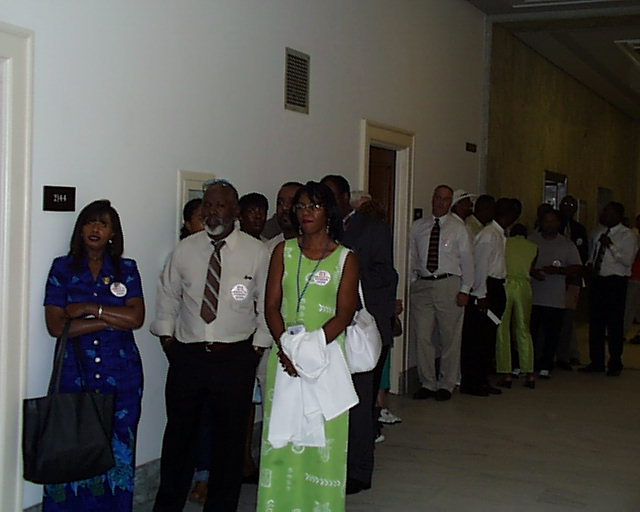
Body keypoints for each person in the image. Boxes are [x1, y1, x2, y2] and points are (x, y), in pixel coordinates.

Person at [151, 179, 271, 512]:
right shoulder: (186, 249)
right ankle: (167, 505)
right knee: (178, 439)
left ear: (235, 211)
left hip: (234, 358)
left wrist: (257, 348)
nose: (212, 211)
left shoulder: (256, 252)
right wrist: (167, 338)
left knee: (229, 445)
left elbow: (266, 303)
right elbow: (168, 294)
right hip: (188, 357)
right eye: (208, 204)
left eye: (220, 205)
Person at [257, 180, 359, 512]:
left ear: (329, 212)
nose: (305, 213)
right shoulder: (282, 251)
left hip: (326, 361)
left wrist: (308, 352)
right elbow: (271, 305)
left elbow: (344, 314)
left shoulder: (345, 258)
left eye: (314, 206)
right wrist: (288, 349)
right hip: (285, 360)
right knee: (283, 441)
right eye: (300, 207)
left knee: (322, 442)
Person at [42, 199, 145, 512]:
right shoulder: (62, 268)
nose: (96, 228)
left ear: (113, 233)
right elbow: (56, 325)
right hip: (75, 376)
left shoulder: (126, 270)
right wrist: (112, 318)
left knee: (118, 452)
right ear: (80, 229)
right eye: (90, 222)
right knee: (71, 451)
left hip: (123, 378)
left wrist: (89, 310)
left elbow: (137, 319)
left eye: (103, 223)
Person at [321, 174, 398, 494]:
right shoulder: (319, 230)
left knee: (362, 405)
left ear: (344, 198)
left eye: (329, 196)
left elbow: (386, 275)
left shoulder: (374, 229)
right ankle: (332, 463)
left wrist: (350, 270)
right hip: (328, 328)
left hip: (361, 330)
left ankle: (360, 471)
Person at [410, 185, 474, 401]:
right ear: (432, 199)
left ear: (450, 203)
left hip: (449, 285)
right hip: (423, 285)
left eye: (445, 199)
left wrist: (465, 289)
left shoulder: (459, 228)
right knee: (422, 336)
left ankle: (447, 383)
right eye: (437, 197)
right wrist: (412, 282)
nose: (440, 202)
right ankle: (427, 382)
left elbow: (467, 262)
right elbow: (412, 257)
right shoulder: (418, 227)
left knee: (450, 337)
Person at [460, 198, 518, 396]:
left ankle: (482, 379)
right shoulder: (489, 235)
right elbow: (480, 266)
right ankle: (472, 381)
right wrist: (481, 294)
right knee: (477, 338)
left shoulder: (498, 234)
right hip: (486, 289)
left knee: (488, 338)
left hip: (495, 286)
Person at [580, 202, 639, 376]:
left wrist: (611, 246)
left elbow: (627, 261)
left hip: (616, 282)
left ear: (618, 215)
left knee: (614, 323)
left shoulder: (627, 235)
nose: (605, 214)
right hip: (598, 280)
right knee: (596, 323)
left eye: (609, 212)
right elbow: (594, 254)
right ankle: (596, 361)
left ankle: (615, 362)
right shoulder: (599, 232)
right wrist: (589, 264)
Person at [528, 209, 582, 378]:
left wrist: (559, 270)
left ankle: (546, 364)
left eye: (553, 221)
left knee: (552, 333)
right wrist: (532, 271)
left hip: (555, 298)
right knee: (531, 333)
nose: (549, 224)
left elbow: (577, 267)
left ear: (559, 224)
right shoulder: (531, 240)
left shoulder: (567, 244)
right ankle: (529, 363)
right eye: (546, 221)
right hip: (533, 297)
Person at [495, 224, 538, 389]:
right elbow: (531, 268)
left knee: (502, 329)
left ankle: (506, 373)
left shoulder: (504, 242)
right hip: (524, 287)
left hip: (506, 284)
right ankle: (530, 373)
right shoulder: (534, 247)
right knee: (523, 328)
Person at [556, 195, 588, 369]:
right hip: (553, 279)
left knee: (568, 318)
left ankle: (569, 354)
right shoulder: (552, 226)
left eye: (572, 205)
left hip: (572, 280)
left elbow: (583, 256)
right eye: (565, 204)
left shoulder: (579, 229)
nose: (568, 208)